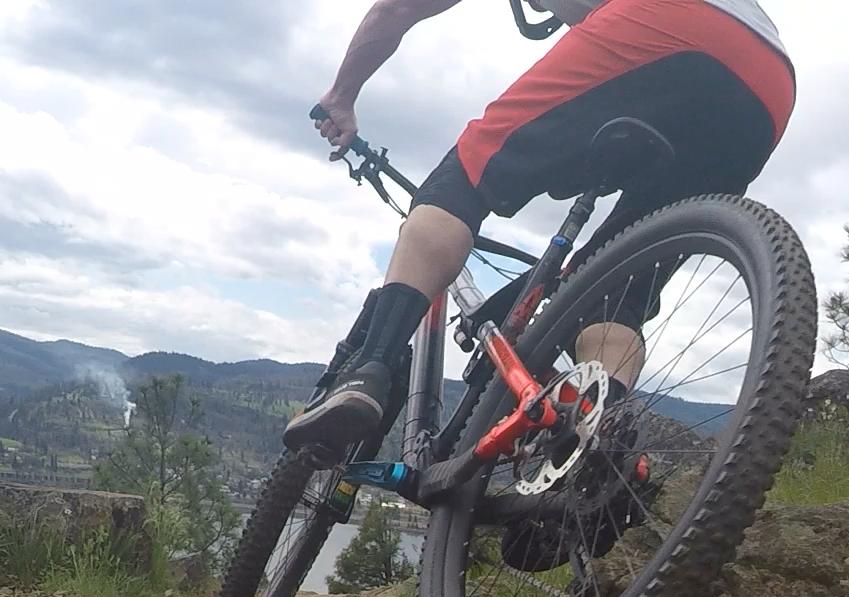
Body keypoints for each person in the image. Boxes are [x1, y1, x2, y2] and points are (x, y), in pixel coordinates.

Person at [286, 0, 795, 451]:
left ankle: (369, 368)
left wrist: (341, 97)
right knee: (615, 288)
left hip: (669, 24)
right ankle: (593, 452)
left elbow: (395, 9)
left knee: (466, 178)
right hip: (767, 87)